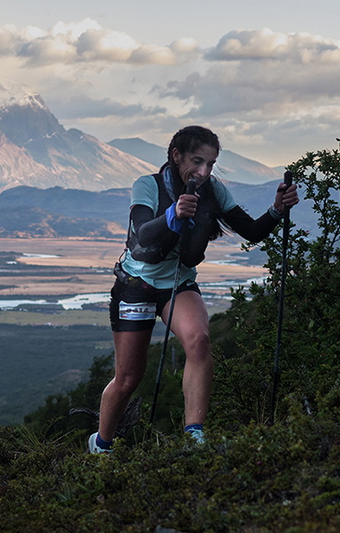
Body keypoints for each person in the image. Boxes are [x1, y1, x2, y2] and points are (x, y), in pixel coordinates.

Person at [90, 125, 298, 453]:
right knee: (129, 377)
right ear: (176, 156)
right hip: (136, 286)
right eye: (197, 162)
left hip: (178, 282)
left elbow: (253, 232)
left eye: (211, 164)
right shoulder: (148, 185)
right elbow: (143, 232)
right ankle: (101, 444)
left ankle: (194, 436)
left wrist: (277, 210)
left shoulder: (213, 191)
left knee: (199, 341)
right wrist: (173, 214)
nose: (204, 172)